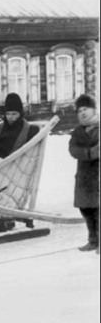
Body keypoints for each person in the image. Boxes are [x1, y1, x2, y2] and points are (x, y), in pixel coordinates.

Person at [68, 94, 99, 253]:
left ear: (93, 109)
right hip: (84, 177)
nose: (83, 113)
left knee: (98, 210)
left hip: (98, 177)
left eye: (85, 109)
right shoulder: (77, 132)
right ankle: (93, 241)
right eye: (79, 110)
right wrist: (91, 152)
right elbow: (73, 150)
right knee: (86, 209)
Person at [0, 93, 40, 167]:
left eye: (14, 114)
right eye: (8, 114)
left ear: (20, 114)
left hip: (19, 168)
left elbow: (33, 154)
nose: (10, 117)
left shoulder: (30, 131)